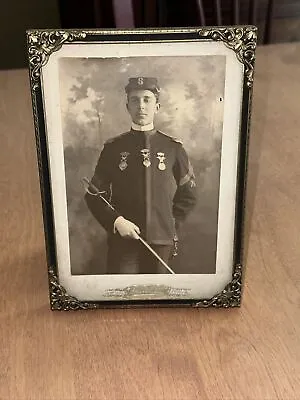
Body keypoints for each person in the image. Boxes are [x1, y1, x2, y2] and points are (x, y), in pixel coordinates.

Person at [85, 77, 197, 274]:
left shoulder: (173, 148)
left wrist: (169, 226)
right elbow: (94, 195)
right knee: (122, 298)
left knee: (157, 299)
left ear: (157, 106)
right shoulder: (113, 148)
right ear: (128, 106)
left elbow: (188, 195)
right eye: (135, 100)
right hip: (123, 242)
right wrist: (117, 222)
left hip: (161, 242)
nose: (141, 106)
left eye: (147, 99)